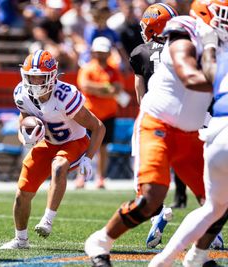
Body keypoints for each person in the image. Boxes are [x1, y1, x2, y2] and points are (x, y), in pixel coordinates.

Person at [84, 13, 223, 267]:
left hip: (192, 132)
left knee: (220, 202)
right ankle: (100, 242)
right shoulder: (185, 34)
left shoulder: (219, 44)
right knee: (151, 198)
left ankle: (198, 256)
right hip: (158, 125)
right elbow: (191, 78)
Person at [0, 49, 105, 249]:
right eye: (31, 76)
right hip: (47, 143)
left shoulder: (65, 96)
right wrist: (25, 137)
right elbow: (23, 120)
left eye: (40, 78)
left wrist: (88, 158)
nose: (34, 82)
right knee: (22, 192)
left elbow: (98, 127)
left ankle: (47, 220)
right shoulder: (22, 93)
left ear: (52, 76)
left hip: (74, 142)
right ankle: (20, 240)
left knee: (59, 166)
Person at [149, 1, 228, 266]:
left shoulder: (211, 46)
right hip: (219, 128)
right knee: (214, 206)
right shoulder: (200, 45)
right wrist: (208, 45)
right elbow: (205, 76)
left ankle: (176, 258)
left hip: (215, 130)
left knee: (214, 208)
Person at [129, 3, 177, 249]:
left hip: (153, 118)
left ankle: (157, 213)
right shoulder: (184, 48)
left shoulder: (140, 52)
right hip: (184, 118)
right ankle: (213, 230)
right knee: (198, 177)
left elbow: (140, 93)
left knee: (144, 174)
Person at [73, 36, 123, 189]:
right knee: (83, 146)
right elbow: (84, 86)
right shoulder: (87, 68)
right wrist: (106, 88)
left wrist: (98, 90)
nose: (101, 55)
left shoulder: (113, 69)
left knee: (103, 147)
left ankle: (100, 177)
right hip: (89, 114)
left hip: (108, 113)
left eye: (104, 52)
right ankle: (80, 177)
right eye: (98, 52)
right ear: (93, 52)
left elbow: (118, 89)